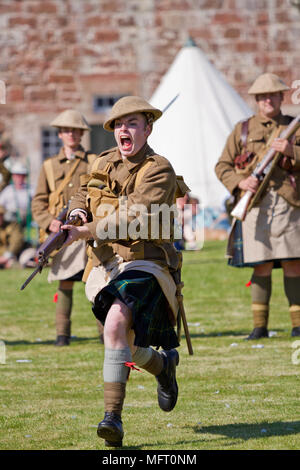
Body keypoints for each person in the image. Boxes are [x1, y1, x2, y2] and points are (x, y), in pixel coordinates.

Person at [61, 96, 187, 447]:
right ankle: (163, 366)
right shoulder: (101, 161)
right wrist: (75, 215)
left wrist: (90, 230)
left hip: (146, 262)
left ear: (147, 128)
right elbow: (79, 193)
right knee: (121, 342)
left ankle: (112, 419)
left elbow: (136, 217)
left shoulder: (158, 168)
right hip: (103, 266)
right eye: (118, 124)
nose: (123, 130)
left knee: (116, 324)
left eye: (131, 123)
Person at [215, 72, 300, 340]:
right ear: (256, 100)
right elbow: (222, 166)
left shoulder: (293, 127)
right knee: (260, 265)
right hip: (254, 204)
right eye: (262, 97)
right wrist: (241, 183)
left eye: (273, 95)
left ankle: (298, 325)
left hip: (289, 203)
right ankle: (259, 326)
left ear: (281, 97)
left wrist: (291, 151)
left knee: (293, 264)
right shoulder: (243, 129)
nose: (267, 100)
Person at [31, 109, 101, 347]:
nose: (71, 134)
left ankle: (105, 333)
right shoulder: (49, 166)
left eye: (76, 130)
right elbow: (38, 201)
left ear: (82, 133)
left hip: (89, 231)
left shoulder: (94, 162)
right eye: (66, 130)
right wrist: (47, 220)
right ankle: (63, 334)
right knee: (65, 281)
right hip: (63, 234)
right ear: (60, 134)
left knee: (98, 280)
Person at [0, 204, 25, 268]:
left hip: (12, 255)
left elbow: (17, 241)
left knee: (24, 261)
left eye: (1, 215)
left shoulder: (13, 225)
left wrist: (7, 256)